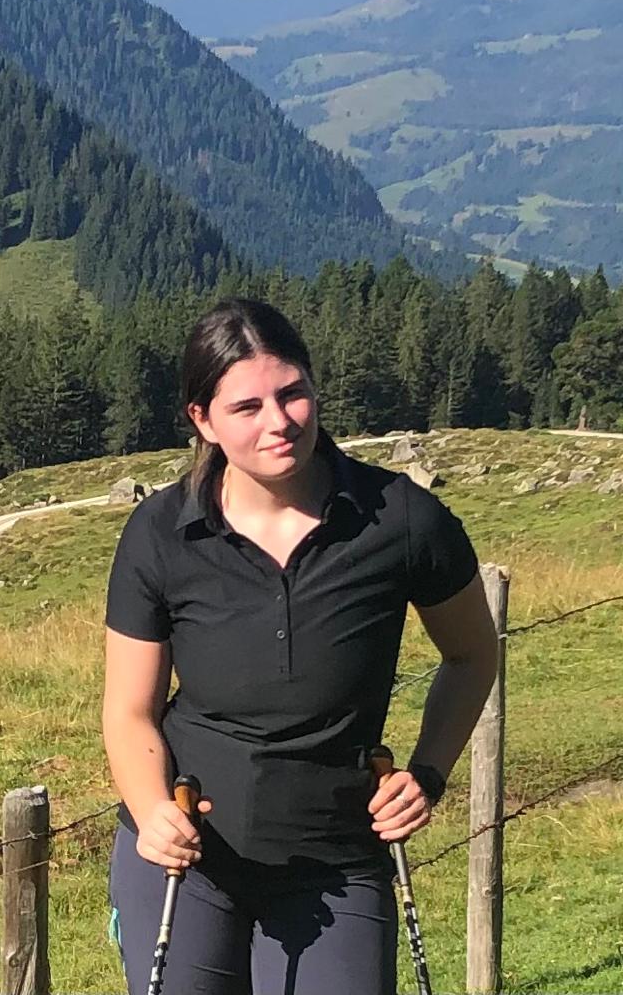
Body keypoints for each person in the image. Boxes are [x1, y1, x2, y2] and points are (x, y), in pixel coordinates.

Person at [103, 298, 499, 995]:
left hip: (338, 861)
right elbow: (129, 709)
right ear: (203, 420)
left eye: (292, 393)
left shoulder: (402, 519)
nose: (279, 421)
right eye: (246, 407)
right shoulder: (161, 533)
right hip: (188, 861)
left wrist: (428, 774)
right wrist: (150, 809)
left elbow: (473, 655)